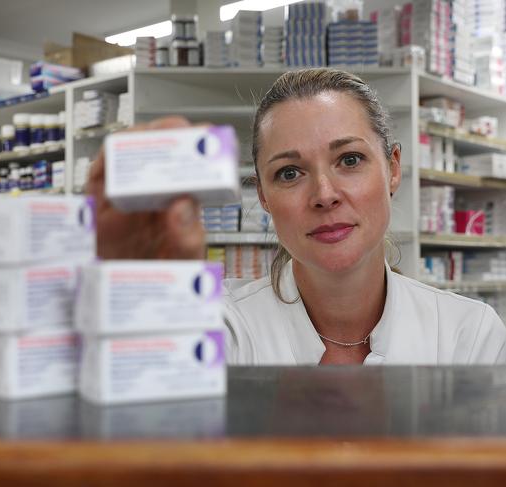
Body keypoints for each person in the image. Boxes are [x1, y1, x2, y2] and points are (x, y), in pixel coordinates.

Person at [88, 67, 506, 366]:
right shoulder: (222, 328)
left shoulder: (467, 334)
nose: (324, 195)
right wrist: (140, 292)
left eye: (350, 159)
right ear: (264, 196)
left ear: (393, 168)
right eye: (289, 173)